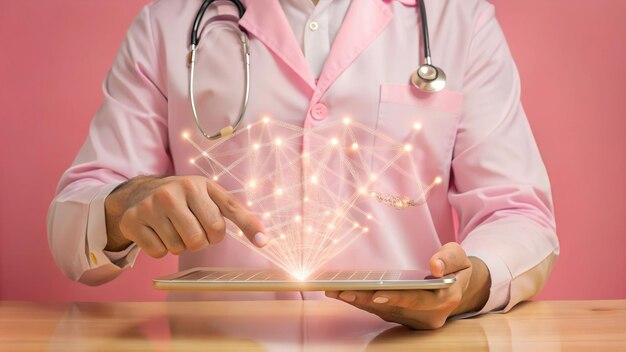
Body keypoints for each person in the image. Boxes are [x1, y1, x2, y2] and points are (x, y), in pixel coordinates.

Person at [47, 0, 559, 330]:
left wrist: (466, 287)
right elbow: (74, 228)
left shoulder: (456, 20)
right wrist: (124, 206)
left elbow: (518, 215)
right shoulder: (170, 25)